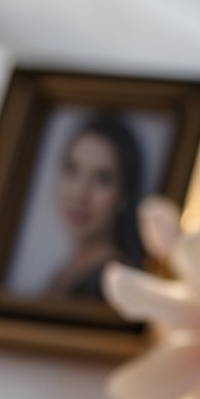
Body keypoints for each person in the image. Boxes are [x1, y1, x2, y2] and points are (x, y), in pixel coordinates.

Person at [46, 114, 146, 299]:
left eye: (102, 179)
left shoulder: (118, 287)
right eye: (72, 170)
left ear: (124, 195)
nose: (80, 194)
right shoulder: (63, 274)